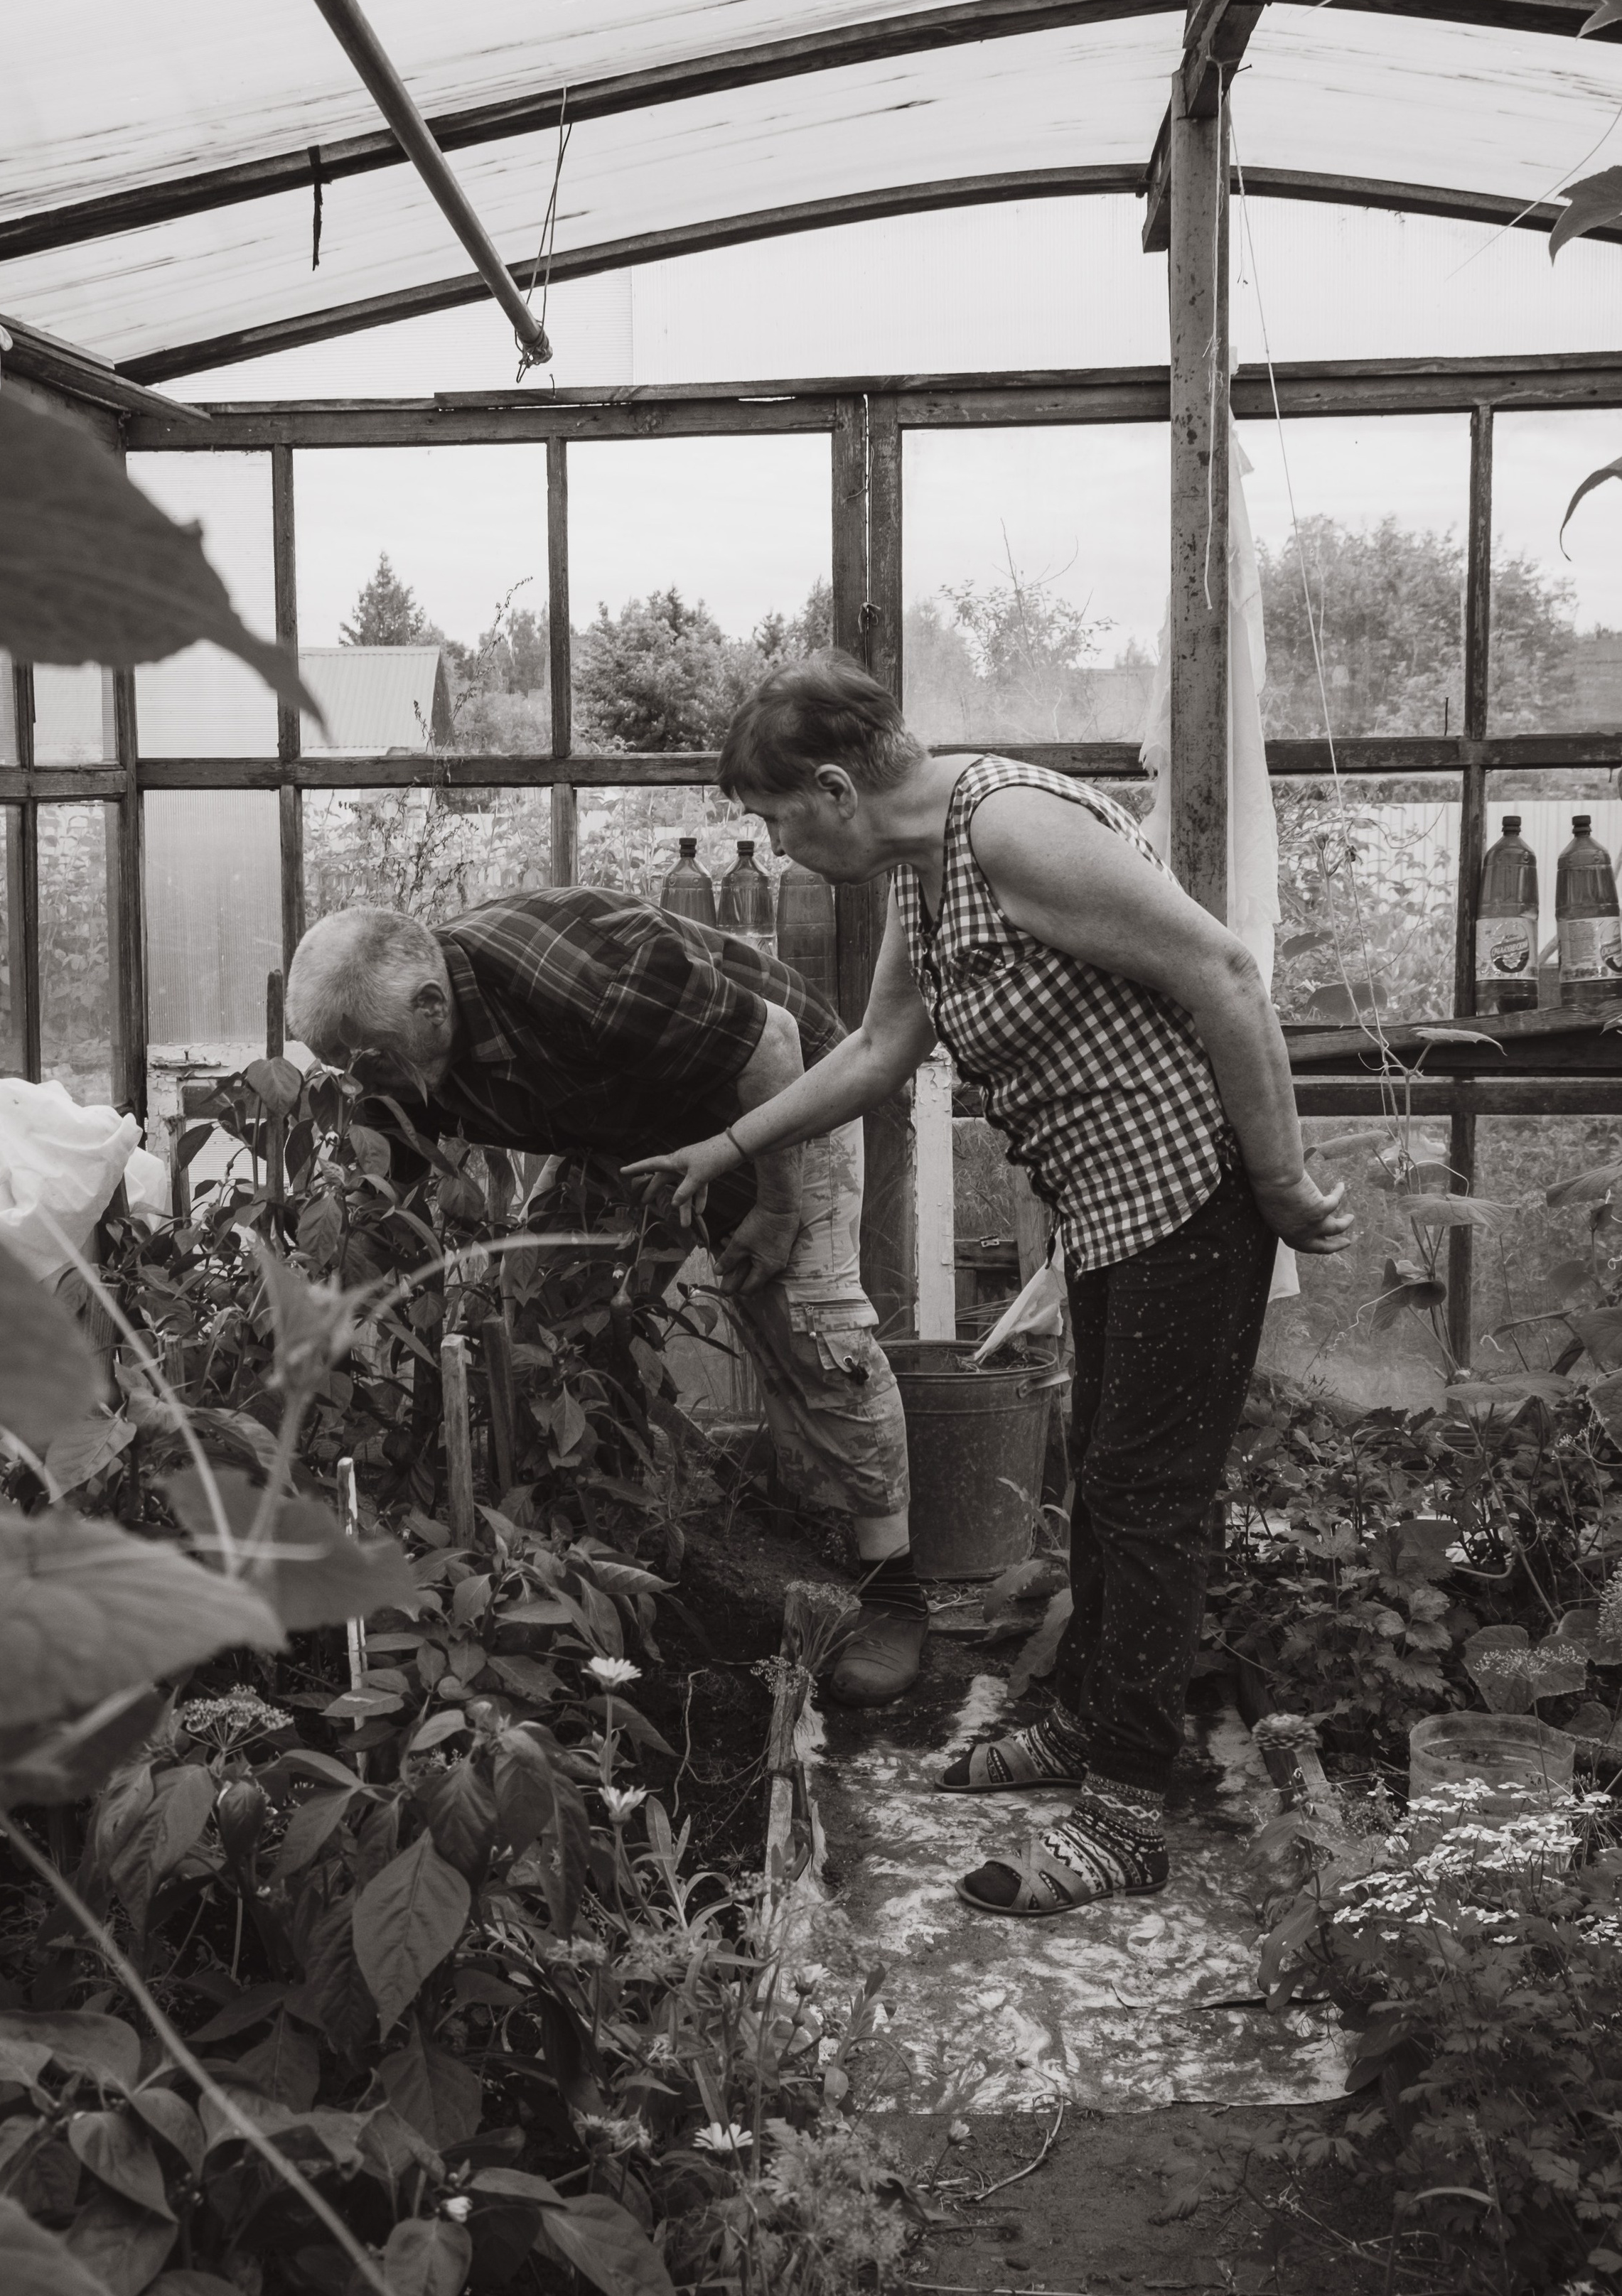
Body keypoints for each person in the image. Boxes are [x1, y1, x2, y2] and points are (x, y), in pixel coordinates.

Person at [630, 657, 1353, 1919]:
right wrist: (727, 1146)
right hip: (1116, 1209)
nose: (780, 848)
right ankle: (1085, 1723)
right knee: (1107, 1476)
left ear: (837, 788)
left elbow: (1227, 974)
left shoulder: (1011, 825)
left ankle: (1125, 1813)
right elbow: (881, 1047)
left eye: (778, 819)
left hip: (1193, 1197)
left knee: (1149, 1501)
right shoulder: (926, 865)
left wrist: (1283, 1180)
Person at [284, 887, 926, 1703]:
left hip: (787, 1091)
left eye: (371, 1063)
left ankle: (893, 1590)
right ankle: (587, 1532)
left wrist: (774, 1208)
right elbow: (385, 1193)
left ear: (431, 1005)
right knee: (542, 1312)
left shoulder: (583, 973)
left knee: (814, 1333)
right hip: (623, 1125)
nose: (363, 1082)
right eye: (343, 1068)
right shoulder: (395, 1045)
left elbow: (770, 1043)